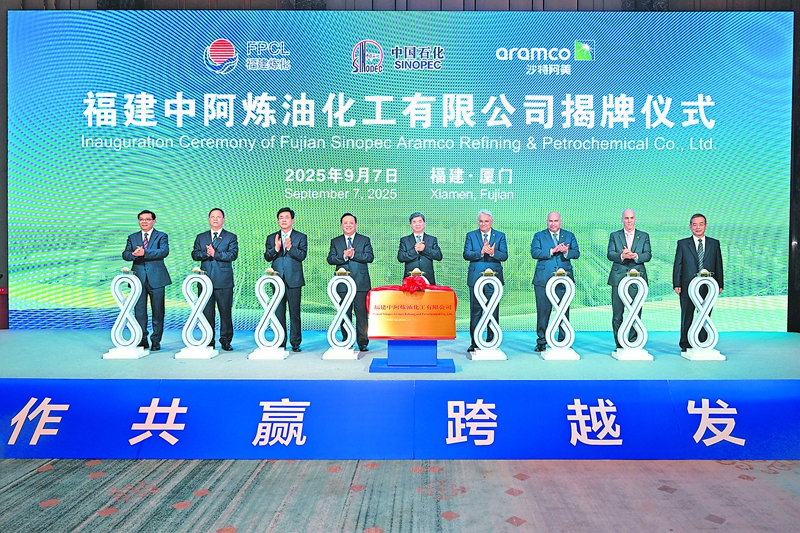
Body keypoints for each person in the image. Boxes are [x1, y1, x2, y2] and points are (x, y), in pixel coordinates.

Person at [122, 210, 172, 351]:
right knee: (139, 312)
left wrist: (145, 252)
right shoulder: (132, 237)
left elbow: (164, 251)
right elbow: (125, 254)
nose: (144, 222)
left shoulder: (161, 236)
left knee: (158, 311)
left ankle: (156, 340)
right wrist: (134, 254)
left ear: (154, 221)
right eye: (141, 219)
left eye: (147, 219)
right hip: (138, 279)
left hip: (157, 278)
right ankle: (141, 339)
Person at [673, 213, 724, 351]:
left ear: (706, 226)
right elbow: (678, 264)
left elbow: (718, 264)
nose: (698, 227)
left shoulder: (714, 243)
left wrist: (720, 284)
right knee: (687, 314)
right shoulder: (683, 243)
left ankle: (702, 341)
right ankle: (686, 343)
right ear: (690, 226)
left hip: (709, 286)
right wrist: (677, 284)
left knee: (705, 314)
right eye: (694, 224)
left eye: (701, 224)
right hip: (687, 285)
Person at [530, 211, 581, 352]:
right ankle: (541, 341)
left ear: (560, 221)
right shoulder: (539, 236)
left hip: (564, 281)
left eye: (556, 221)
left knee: (563, 311)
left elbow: (576, 253)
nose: (553, 224)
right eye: (550, 221)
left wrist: (566, 252)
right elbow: (534, 252)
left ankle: (563, 340)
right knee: (543, 311)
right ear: (547, 222)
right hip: (543, 279)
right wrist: (552, 250)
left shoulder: (569, 235)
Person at [191, 208, 239, 351]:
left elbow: (233, 255)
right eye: (213, 217)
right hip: (205, 281)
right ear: (209, 219)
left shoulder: (230, 237)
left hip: (223, 281)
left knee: (225, 312)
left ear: (223, 220)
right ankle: (208, 340)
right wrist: (207, 254)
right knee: (207, 313)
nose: (215, 219)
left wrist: (215, 254)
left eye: (218, 217)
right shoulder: (201, 237)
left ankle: (226, 341)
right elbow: (194, 254)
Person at [327, 213, 374, 351]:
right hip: (342, 284)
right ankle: (346, 340)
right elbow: (330, 259)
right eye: (345, 223)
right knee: (344, 313)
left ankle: (362, 342)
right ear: (341, 225)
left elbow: (370, 257)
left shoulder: (364, 240)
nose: (348, 225)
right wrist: (343, 256)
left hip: (360, 282)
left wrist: (353, 255)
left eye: (351, 223)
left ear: (356, 225)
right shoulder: (335, 241)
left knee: (361, 313)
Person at [463, 210, 508, 352]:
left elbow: (504, 256)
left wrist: (493, 252)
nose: (483, 224)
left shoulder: (500, 236)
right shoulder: (471, 235)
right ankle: (475, 342)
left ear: (491, 222)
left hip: (494, 279)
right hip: (476, 278)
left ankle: (491, 341)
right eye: (481, 221)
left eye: (486, 221)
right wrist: (481, 252)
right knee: (476, 311)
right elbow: (466, 254)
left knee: (493, 311)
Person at [264, 207, 307, 352]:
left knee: (295, 312)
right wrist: (276, 249)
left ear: (292, 220)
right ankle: (280, 341)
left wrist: (290, 248)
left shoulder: (301, 237)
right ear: (278, 220)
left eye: (287, 217)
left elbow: (302, 256)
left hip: (294, 280)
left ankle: (295, 343)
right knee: (278, 313)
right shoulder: (272, 237)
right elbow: (267, 257)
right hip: (277, 280)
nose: (283, 220)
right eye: (281, 217)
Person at [607, 209, 652, 348]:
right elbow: (610, 254)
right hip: (618, 277)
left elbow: (647, 255)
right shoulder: (614, 235)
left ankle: (633, 342)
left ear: (635, 219)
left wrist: (634, 255)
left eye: (631, 218)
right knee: (617, 313)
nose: (629, 221)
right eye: (626, 218)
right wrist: (622, 256)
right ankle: (620, 344)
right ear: (622, 219)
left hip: (637, 278)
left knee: (635, 312)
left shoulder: (644, 236)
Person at [397, 212, 443, 285]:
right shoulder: (404, 240)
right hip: (410, 279)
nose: (417, 224)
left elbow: (439, 256)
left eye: (420, 221)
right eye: (414, 222)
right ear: (411, 225)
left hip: (428, 278)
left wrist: (425, 249)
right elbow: (400, 257)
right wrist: (414, 251)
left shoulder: (432, 239)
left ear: (424, 224)